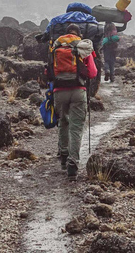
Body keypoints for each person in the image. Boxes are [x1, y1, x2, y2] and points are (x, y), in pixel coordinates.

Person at [52, 23, 97, 181]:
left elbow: (49, 70)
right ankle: (73, 163)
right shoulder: (82, 46)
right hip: (78, 91)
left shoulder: (56, 45)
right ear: (79, 34)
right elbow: (92, 72)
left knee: (63, 121)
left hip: (59, 91)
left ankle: (63, 155)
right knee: (76, 128)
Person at [37, 2, 105, 97]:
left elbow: (46, 36)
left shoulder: (56, 20)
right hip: (85, 58)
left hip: (60, 60)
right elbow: (99, 40)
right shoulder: (93, 21)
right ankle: (90, 94)